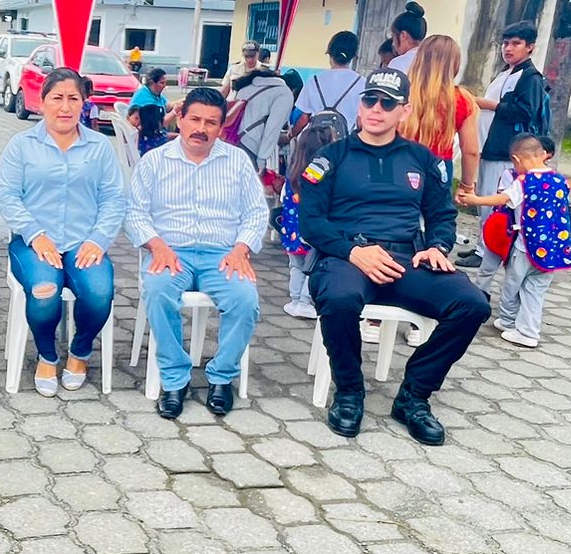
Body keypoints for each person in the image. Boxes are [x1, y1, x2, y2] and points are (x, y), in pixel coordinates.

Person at [299, 67, 490, 445]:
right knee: (339, 299)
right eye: (370, 100)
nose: (377, 109)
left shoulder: (423, 160)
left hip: (407, 259)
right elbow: (311, 222)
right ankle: (349, 392)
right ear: (359, 106)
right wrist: (353, 251)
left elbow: (441, 216)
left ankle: (414, 397)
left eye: (388, 103)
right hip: (347, 256)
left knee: (472, 304)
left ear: (404, 112)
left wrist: (437, 246)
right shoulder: (330, 157)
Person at [126, 88, 268, 419]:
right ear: (180, 118)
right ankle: (175, 379)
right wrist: (156, 245)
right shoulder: (155, 161)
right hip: (170, 252)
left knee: (245, 300)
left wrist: (242, 248)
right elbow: (134, 213)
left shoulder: (237, 161)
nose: (201, 129)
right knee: (158, 291)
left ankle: (221, 376)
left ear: (221, 126)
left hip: (222, 254)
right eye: (195, 119)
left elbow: (256, 213)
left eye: (211, 122)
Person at [0, 67, 127, 396]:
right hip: (34, 244)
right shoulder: (21, 145)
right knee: (44, 292)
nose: (65, 107)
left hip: (84, 243)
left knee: (99, 293)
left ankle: (79, 352)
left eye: (73, 99)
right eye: (57, 98)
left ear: (84, 103)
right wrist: (34, 233)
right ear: (42, 102)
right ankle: (47, 355)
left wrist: (98, 239)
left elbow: (114, 199)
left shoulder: (99, 147)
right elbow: (6, 195)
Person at [457, 134, 571, 348]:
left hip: (526, 247)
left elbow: (504, 199)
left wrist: (476, 200)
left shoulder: (524, 181)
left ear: (516, 159)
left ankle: (508, 321)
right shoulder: (561, 181)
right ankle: (529, 332)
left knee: (512, 285)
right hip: (553, 249)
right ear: (543, 155)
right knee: (535, 290)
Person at [468, 23, 553, 279]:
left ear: (530, 47)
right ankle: (483, 247)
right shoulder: (507, 73)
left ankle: (489, 252)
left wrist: (491, 105)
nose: (508, 48)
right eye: (506, 43)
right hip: (490, 147)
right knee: (485, 201)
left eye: (516, 43)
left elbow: (526, 112)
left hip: (506, 152)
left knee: (495, 205)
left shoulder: (530, 78)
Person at [278, 111, 346, 319]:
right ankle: (305, 302)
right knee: (313, 266)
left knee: (296, 266)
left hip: (291, 231)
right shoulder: (324, 177)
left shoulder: (293, 174)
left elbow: (283, 198)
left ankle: (295, 300)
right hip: (313, 232)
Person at [401, 34, 480, 194]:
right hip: (439, 168)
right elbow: (470, 151)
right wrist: (467, 186)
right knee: (436, 209)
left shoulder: (402, 92)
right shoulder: (461, 99)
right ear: (455, 64)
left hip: (401, 163)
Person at [290, 32, 365, 136]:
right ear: (353, 56)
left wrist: (291, 135)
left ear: (330, 53)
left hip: (317, 140)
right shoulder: (362, 83)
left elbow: (304, 118)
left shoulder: (314, 81)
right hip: (346, 141)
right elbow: (361, 121)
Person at [128, 67, 172, 154]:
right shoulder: (145, 99)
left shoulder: (155, 94)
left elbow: (168, 106)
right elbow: (161, 124)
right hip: (148, 137)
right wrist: (174, 112)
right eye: (162, 83)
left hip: (154, 133)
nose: (164, 86)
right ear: (152, 82)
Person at [387, 1, 428, 74]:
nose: (393, 44)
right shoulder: (432, 60)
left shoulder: (398, 64)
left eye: (394, 37)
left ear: (403, 35)